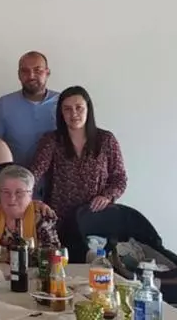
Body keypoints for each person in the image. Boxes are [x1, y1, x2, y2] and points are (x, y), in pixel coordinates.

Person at [31, 86, 127, 260]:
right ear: (61, 113)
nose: (73, 113)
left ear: (88, 109)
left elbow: (119, 178)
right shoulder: (52, 140)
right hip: (60, 218)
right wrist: (29, 197)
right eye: (67, 109)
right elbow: (35, 172)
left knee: (96, 267)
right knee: (62, 268)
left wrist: (107, 196)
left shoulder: (106, 140)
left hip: (95, 219)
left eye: (79, 108)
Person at [0, 51, 59, 168]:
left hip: (56, 176)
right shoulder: (2, 105)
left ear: (47, 73)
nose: (31, 76)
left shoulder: (64, 104)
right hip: (14, 176)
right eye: (25, 71)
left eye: (37, 70)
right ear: (19, 75)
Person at [0, 165, 60, 251]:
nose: (12, 198)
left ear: (30, 193)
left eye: (19, 192)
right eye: (6, 192)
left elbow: (52, 252)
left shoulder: (42, 215)